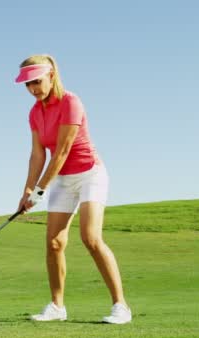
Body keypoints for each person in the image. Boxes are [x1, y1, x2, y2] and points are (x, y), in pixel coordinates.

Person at [15, 54, 132, 324]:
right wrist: (27, 190)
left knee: (90, 238)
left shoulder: (71, 102)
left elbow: (63, 151)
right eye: (27, 85)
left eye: (36, 81)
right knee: (54, 244)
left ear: (52, 76)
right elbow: (37, 155)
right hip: (63, 180)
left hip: (90, 174)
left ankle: (121, 306)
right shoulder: (35, 113)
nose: (32, 89)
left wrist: (39, 191)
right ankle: (57, 307)